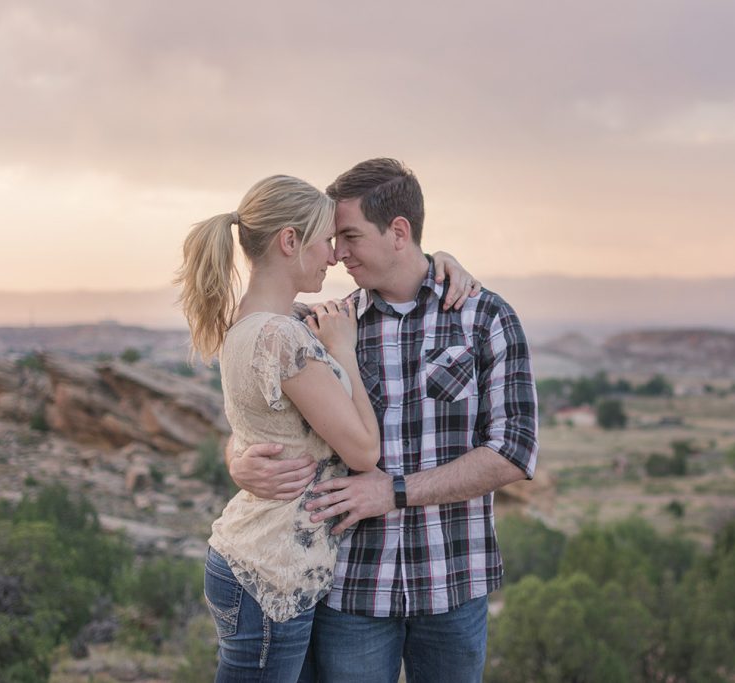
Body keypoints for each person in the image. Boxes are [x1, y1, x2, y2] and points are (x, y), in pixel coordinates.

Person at [229, 159, 539, 683]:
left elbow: (513, 451)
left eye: (349, 236)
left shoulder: (485, 318)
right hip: (350, 589)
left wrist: (393, 492)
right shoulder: (326, 327)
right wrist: (238, 461)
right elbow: (252, 412)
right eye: (331, 239)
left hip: (452, 585)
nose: (337, 253)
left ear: (399, 232)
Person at [175, 174, 480, 681]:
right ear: (290, 242)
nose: (334, 256)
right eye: (324, 241)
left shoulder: (258, 321)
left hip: (268, 564)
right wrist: (343, 352)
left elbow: (264, 423)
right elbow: (363, 452)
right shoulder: (283, 336)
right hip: (270, 571)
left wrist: (441, 262)